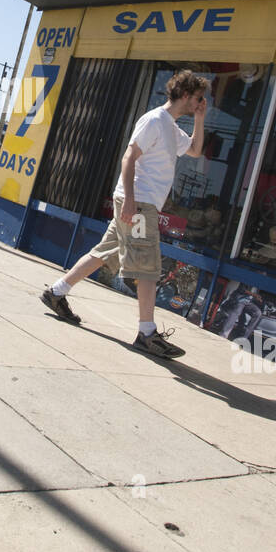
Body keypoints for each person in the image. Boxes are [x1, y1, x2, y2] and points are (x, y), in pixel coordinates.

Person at [40, 70, 209, 358]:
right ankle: (146, 333)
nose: (200, 102)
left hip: (140, 202)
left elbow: (194, 150)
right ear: (184, 95)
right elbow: (128, 157)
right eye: (197, 98)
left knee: (102, 253)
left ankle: (55, 292)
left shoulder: (171, 127)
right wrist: (130, 200)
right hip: (139, 202)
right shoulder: (155, 120)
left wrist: (200, 118)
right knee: (148, 268)